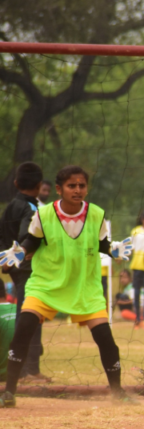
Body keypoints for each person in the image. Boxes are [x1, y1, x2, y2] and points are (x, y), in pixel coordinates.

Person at [0, 165, 135, 407]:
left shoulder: (95, 214)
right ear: (59, 189)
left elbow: (102, 243)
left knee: (106, 339)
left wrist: (113, 249)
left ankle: (118, 392)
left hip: (84, 287)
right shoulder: (44, 215)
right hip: (45, 285)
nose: (78, 190)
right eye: (72, 186)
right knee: (23, 330)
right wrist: (19, 253)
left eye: (82, 185)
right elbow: (32, 240)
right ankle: (9, 393)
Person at [0, 162, 46, 382]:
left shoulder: (10, 206)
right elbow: (25, 235)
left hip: (15, 268)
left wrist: (6, 259)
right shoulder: (33, 209)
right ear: (39, 185)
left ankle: (23, 367)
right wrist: (21, 254)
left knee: (27, 314)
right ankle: (28, 369)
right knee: (31, 315)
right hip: (29, 268)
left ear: (16, 183)